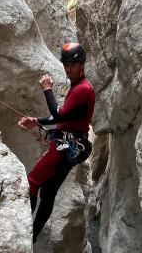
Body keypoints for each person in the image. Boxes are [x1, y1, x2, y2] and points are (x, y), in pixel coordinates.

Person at [18, 42, 95, 241]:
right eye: (66, 64)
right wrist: (37, 120)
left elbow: (59, 114)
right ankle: (32, 235)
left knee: (33, 182)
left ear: (82, 64)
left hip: (64, 147)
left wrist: (47, 89)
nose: (69, 69)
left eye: (73, 64)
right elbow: (65, 116)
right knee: (49, 190)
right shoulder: (80, 86)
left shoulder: (82, 89)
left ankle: (25, 235)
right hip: (72, 146)